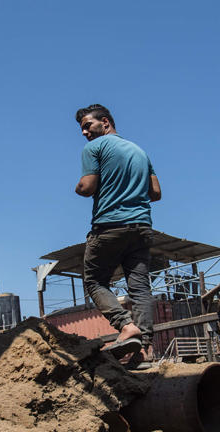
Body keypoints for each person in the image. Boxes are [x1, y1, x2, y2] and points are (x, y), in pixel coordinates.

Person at [74, 104, 161, 365]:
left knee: (94, 280)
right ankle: (144, 349)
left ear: (105, 122)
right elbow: (155, 193)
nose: (84, 132)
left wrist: (78, 188)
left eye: (87, 125)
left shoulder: (94, 148)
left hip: (110, 225)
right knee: (140, 288)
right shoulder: (140, 152)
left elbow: (87, 187)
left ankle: (126, 326)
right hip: (142, 227)